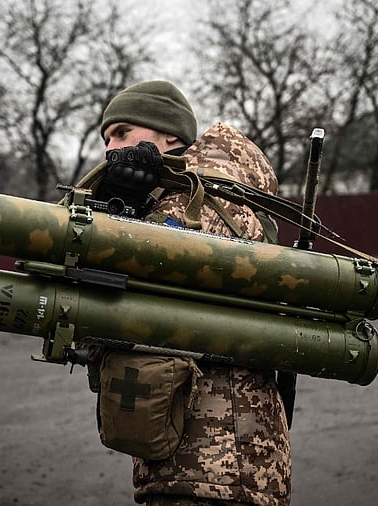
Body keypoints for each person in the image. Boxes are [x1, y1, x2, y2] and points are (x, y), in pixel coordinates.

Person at [78, 80, 291, 506]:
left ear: (169, 135)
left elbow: (135, 294)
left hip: (217, 462)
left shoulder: (207, 200)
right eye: (106, 139)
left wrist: (122, 219)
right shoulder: (171, 200)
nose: (109, 148)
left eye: (122, 132)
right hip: (205, 464)